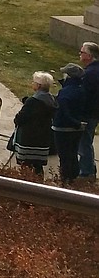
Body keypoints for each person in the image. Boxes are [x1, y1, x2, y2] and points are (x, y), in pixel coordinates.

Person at [11, 71, 57, 175]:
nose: (32, 84)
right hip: (43, 138)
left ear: (39, 85)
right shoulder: (51, 99)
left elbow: (21, 118)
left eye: (34, 82)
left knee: (26, 166)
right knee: (38, 166)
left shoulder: (33, 101)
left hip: (29, 139)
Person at [53, 63, 89, 183]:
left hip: (63, 128)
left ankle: (65, 180)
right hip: (77, 128)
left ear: (68, 76)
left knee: (64, 157)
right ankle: (73, 179)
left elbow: (63, 110)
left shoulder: (66, 92)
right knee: (73, 154)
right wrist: (78, 123)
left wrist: (73, 122)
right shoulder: (81, 90)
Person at [77, 41, 99, 178]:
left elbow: (84, 96)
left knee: (84, 143)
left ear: (89, 56)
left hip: (87, 114)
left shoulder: (90, 74)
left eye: (82, 52)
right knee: (87, 141)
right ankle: (90, 167)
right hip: (94, 113)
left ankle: (87, 172)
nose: (80, 54)